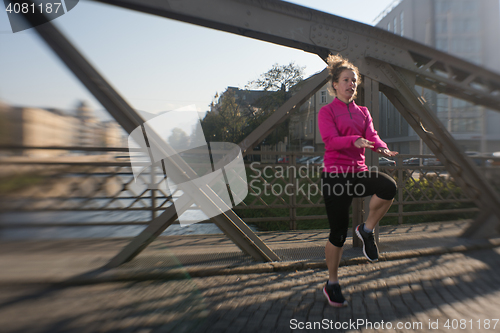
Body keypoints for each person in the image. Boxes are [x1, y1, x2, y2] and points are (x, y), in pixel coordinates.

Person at [318, 54, 398, 307]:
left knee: (388, 186)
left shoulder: (363, 112)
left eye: (354, 81)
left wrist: (382, 147)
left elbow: (372, 136)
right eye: (345, 80)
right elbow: (330, 140)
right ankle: (332, 283)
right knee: (338, 234)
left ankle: (366, 230)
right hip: (335, 176)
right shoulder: (326, 111)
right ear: (335, 85)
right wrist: (354, 140)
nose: (351, 84)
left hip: (358, 173)